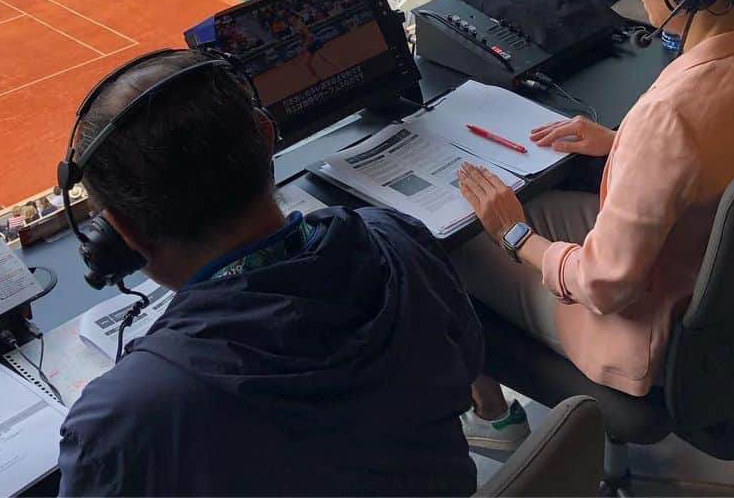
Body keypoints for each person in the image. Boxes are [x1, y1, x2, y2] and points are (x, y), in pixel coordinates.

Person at [452, 0, 734, 451]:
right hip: (707, 287)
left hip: (638, 327)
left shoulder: (671, 116)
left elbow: (603, 286)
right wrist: (618, 143)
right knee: (533, 206)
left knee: (449, 246)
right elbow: (709, 169)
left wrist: (515, 234)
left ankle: (492, 422)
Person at [56, 50, 483, 496]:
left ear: (120, 231)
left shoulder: (122, 417)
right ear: (265, 137)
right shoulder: (397, 240)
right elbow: (467, 362)